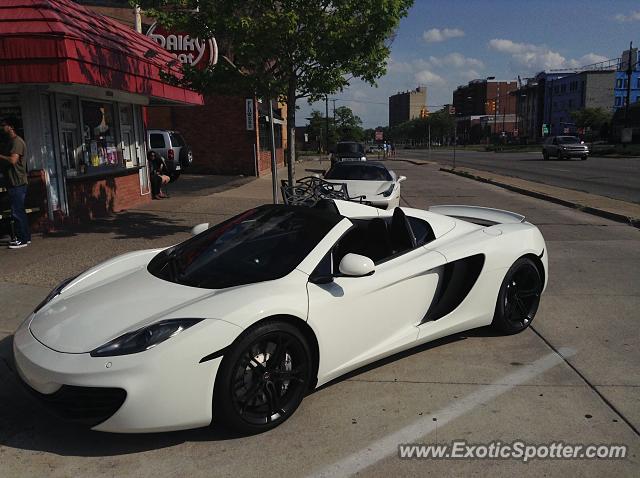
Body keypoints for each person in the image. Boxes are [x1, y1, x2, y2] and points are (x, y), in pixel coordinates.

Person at [0, 118, 31, 249]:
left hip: (17, 182)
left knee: (16, 212)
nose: (2, 127)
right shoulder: (11, 142)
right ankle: (26, 237)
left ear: (11, 127)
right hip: (13, 181)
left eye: (4, 125)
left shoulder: (17, 142)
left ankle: (21, 239)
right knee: (19, 211)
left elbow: (13, 160)